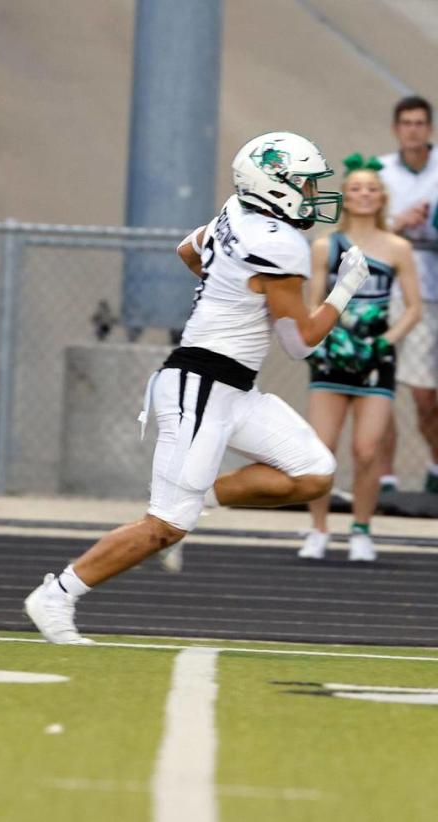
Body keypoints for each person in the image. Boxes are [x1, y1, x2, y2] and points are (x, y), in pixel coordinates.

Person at [24, 131, 369, 644]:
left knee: (314, 472)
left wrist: (223, 287)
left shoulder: (238, 213)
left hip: (230, 387)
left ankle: (199, 495)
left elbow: (188, 249)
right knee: (163, 527)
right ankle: (57, 594)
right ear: (275, 187)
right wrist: (343, 290)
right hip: (202, 385)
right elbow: (300, 343)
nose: (314, 193)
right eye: (304, 182)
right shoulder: (278, 243)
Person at [300, 156, 421, 562]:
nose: (364, 194)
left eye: (372, 188)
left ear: (382, 196)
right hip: (333, 359)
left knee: (367, 450)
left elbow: (414, 309)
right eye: (356, 188)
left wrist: (384, 343)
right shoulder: (324, 246)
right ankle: (318, 529)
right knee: (321, 449)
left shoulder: (398, 247)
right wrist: (329, 339)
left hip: (375, 361)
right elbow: (314, 302)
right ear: (345, 198)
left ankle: (361, 528)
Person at [378, 96, 438, 492]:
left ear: (429, 128)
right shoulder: (379, 171)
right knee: (378, 393)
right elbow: (367, 229)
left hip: (429, 292)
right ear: (397, 128)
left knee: (424, 394)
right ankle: (384, 477)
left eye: (419, 123)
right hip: (384, 290)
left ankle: (434, 467)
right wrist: (402, 222)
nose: (413, 130)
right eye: (406, 123)